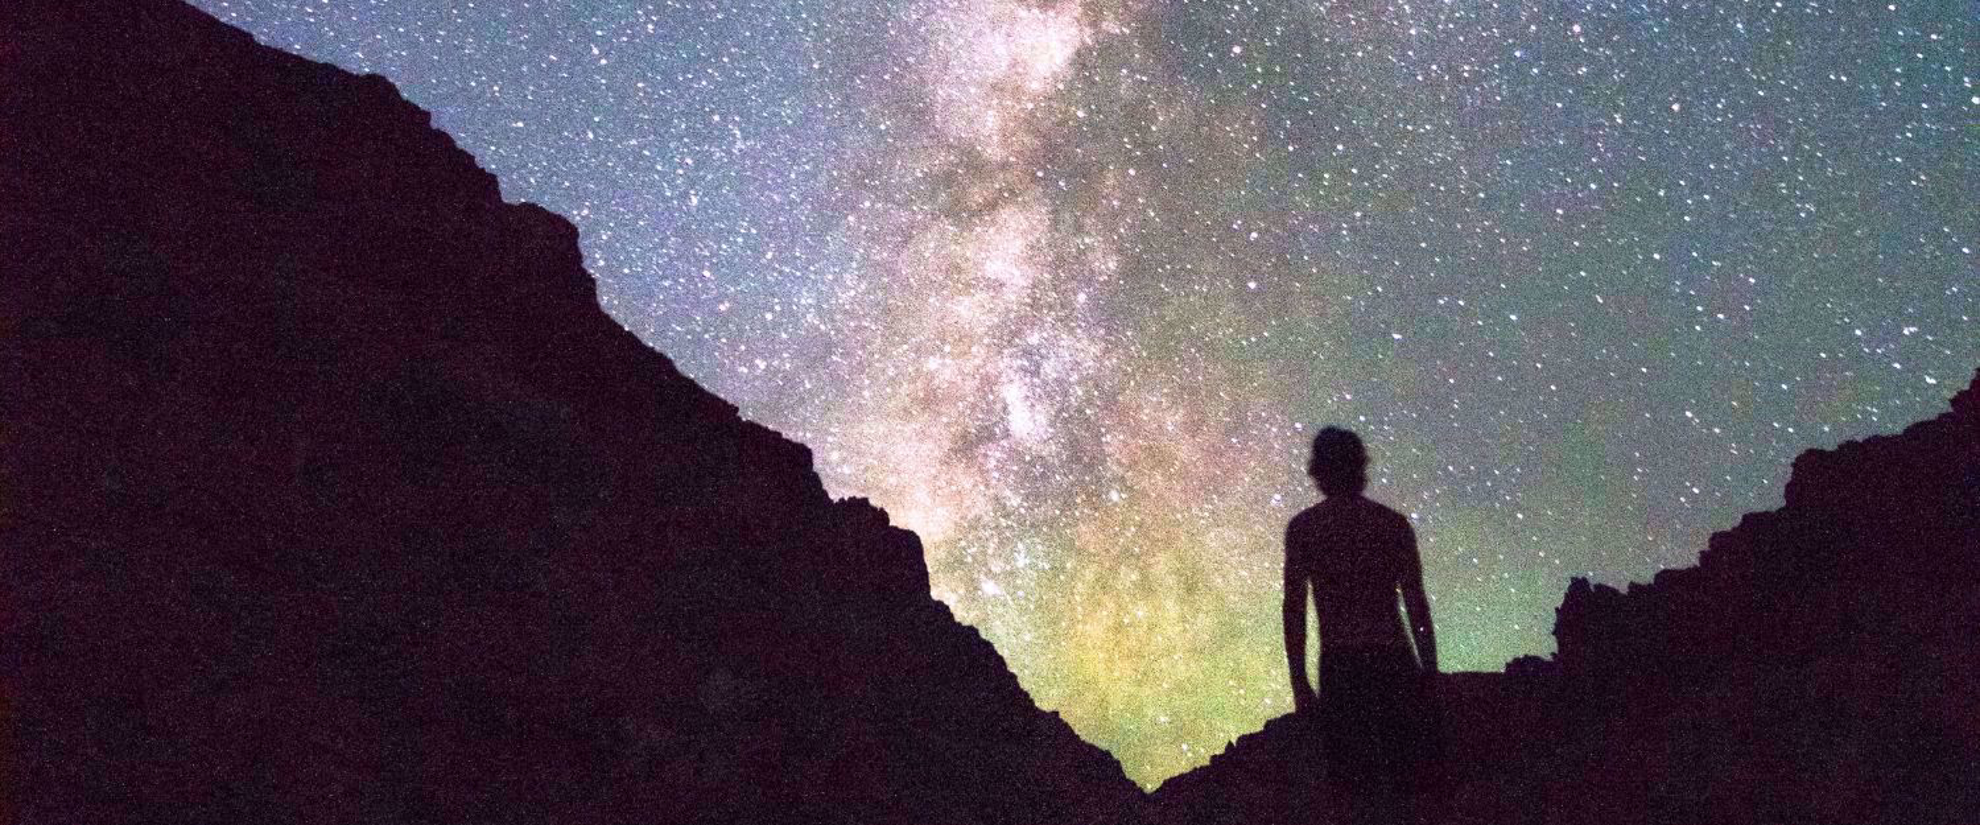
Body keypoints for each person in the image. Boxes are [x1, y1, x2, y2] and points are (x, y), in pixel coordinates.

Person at [1283, 427, 1442, 803]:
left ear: (1319, 469)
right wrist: (1429, 669)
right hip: (1394, 660)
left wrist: (1299, 681)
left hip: (1341, 664)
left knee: (1354, 788)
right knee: (1409, 782)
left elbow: (1294, 610)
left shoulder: (1305, 529)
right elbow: (1416, 602)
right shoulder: (1392, 525)